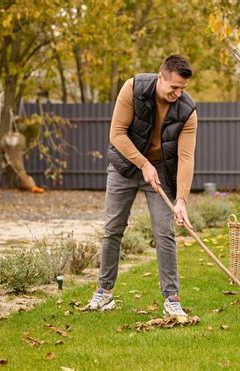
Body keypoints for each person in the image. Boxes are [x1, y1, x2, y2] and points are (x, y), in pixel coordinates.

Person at [87, 54, 198, 320]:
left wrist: (181, 199)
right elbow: (117, 134)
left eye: (182, 89)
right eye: (174, 87)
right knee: (113, 228)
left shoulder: (187, 111)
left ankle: (172, 299)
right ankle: (104, 292)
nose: (178, 93)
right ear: (161, 78)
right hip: (125, 165)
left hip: (159, 170)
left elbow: (185, 157)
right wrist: (142, 163)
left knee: (164, 232)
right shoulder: (133, 89)